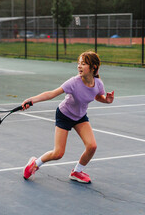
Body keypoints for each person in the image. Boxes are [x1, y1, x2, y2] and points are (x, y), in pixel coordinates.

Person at [21, 51, 114, 183]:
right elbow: (52, 93)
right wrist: (31, 100)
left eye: (83, 64)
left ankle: (77, 172)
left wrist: (107, 100)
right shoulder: (74, 82)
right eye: (79, 63)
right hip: (64, 115)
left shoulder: (98, 83)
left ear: (93, 67)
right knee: (58, 153)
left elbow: (98, 96)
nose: (79, 66)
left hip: (80, 117)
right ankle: (35, 164)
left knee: (92, 146)